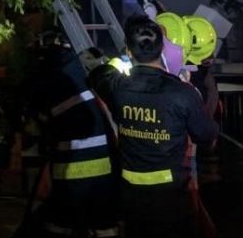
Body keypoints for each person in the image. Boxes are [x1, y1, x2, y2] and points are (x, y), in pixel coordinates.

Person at [89, 15, 218, 238]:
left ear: (129, 51)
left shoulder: (117, 86)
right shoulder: (182, 92)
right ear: (161, 49)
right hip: (172, 197)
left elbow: (98, 74)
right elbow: (206, 136)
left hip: (131, 197)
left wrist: (113, 61)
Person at [20, 39, 119, 238]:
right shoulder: (84, 73)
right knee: (103, 226)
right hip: (105, 172)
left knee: (61, 225)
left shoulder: (45, 81)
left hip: (69, 173)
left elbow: (37, 128)